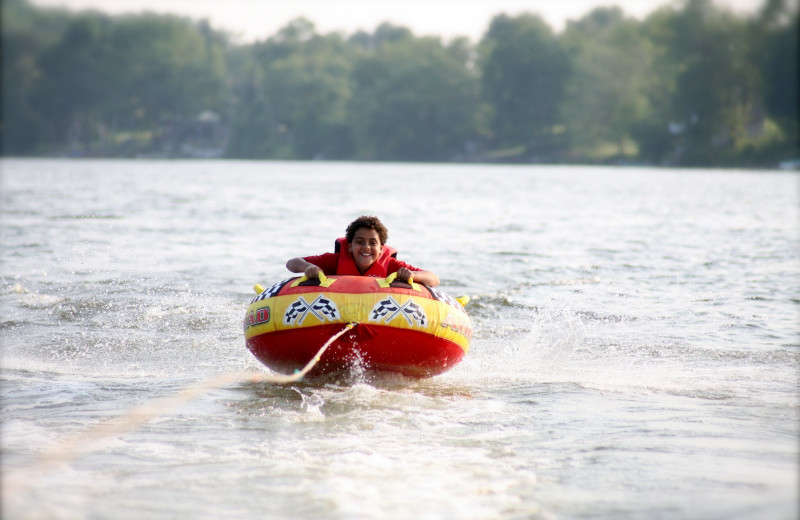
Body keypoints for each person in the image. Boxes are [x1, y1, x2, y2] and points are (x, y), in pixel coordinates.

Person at [286, 215, 440, 287]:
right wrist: (307, 268)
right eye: (360, 242)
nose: (366, 247)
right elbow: (291, 263)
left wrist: (412, 275)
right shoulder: (335, 260)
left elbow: (434, 278)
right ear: (350, 246)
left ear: (381, 249)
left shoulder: (390, 265)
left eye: (372, 243)